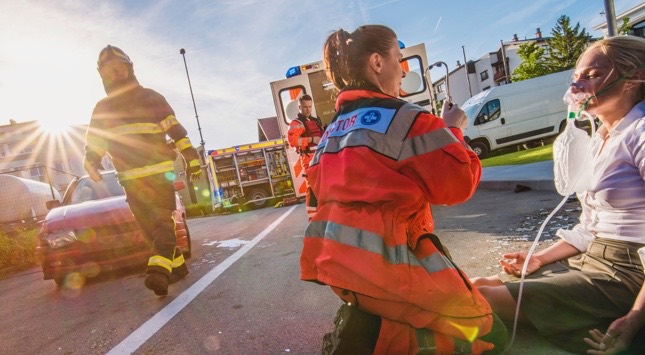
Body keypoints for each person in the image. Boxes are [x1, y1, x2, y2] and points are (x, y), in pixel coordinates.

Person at [300, 25, 507, 354]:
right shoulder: (408, 118)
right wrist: (453, 129)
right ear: (377, 63)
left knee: (418, 314)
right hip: (396, 263)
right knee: (489, 333)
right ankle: (372, 339)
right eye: (399, 57)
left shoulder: (330, 133)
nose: (404, 68)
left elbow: (314, 201)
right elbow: (459, 184)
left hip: (340, 269)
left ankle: (370, 322)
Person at [471, 35, 645, 354]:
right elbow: (590, 226)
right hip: (591, 257)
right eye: (575, 76)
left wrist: (634, 318)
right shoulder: (600, 139)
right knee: (480, 286)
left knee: (479, 302)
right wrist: (539, 258)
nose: (578, 85)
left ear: (633, 77)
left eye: (591, 75)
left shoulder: (640, 132)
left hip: (628, 272)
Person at [84, 45, 202, 296]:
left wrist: (191, 157)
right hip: (130, 180)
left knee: (161, 223)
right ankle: (178, 267)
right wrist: (91, 161)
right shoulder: (102, 109)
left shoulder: (152, 98)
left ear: (130, 68)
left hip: (158, 175)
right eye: (110, 69)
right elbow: (96, 142)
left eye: (120, 67)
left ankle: (159, 272)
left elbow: (176, 132)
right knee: (149, 230)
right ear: (102, 75)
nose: (117, 72)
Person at [287, 94, 325, 220]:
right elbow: (293, 141)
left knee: (323, 187)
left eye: (310, 106)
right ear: (299, 107)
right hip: (309, 159)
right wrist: (311, 139)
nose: (308, 109)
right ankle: (313, 219)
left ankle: (324, 215)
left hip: (322, 158)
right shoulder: (296, 123)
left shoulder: (316, 120)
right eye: (305, 107)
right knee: (313, 188)